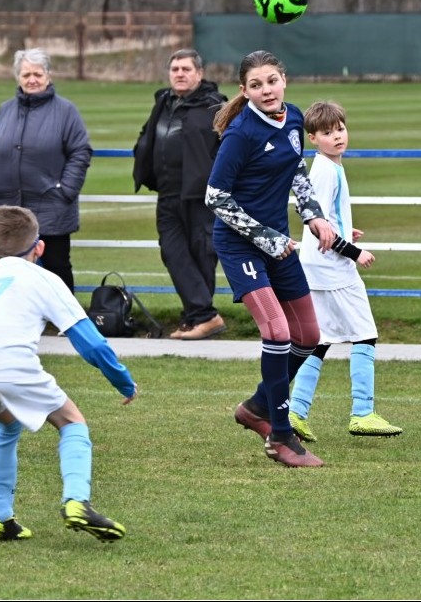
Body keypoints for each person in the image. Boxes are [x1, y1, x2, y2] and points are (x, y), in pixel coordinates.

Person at [0, 204, 138, 542]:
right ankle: (77, 501)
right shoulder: (44, 278)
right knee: (71, 421)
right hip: (10, 364)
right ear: (40, 247)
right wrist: (123, 381)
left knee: (7, 425)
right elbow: (90, 344)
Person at [207, 50, 358, 468]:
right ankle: (281, 435)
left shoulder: (292, 118)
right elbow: (215, 196)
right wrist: (267, 238)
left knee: (308, 336)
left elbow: (295, 171)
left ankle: (256, 406)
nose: (266, 90)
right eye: (256, 85)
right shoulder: (241, 134)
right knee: (276, 331)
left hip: (280, 243)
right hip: (242, 244)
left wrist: (314, 216)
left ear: (284, 81)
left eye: (271, 81)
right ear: (244, 91)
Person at [287, 101, 403, 442]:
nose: (337, 136)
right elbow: (313, 221)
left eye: (340, 129)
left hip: (317, 267)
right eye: (327, 133)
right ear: (312, 138)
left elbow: (325, 218)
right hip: (333, 269)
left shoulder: (329, 166)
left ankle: (296, 413)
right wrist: (354, 252)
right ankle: (363, 413)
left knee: (319, 342)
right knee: (365, 334)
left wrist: (345, 228)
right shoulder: (325, 170)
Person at [0, 48, 92, 294]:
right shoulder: (5, 110)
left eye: (38, 74)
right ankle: (15, 317)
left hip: (51, 205)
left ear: (48, 76)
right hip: (5, 205)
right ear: (18, 77)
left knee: (56, 265)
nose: (32, 79)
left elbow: (80, 152)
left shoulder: (65, 111)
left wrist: (65, 190)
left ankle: (65, 321)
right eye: (26, 74)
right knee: (7, 267)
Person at [133, 49, 228, 340]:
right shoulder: (164, 101)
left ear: (199, 73)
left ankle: (196, 318)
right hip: (168, 192)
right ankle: (204, 316)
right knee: (173, 253)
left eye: (186, 69)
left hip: (201, 195)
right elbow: (150, 134)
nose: (180, 74)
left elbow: (229, 147)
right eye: (175, 69)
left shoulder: (215, 105)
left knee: (201, 254)